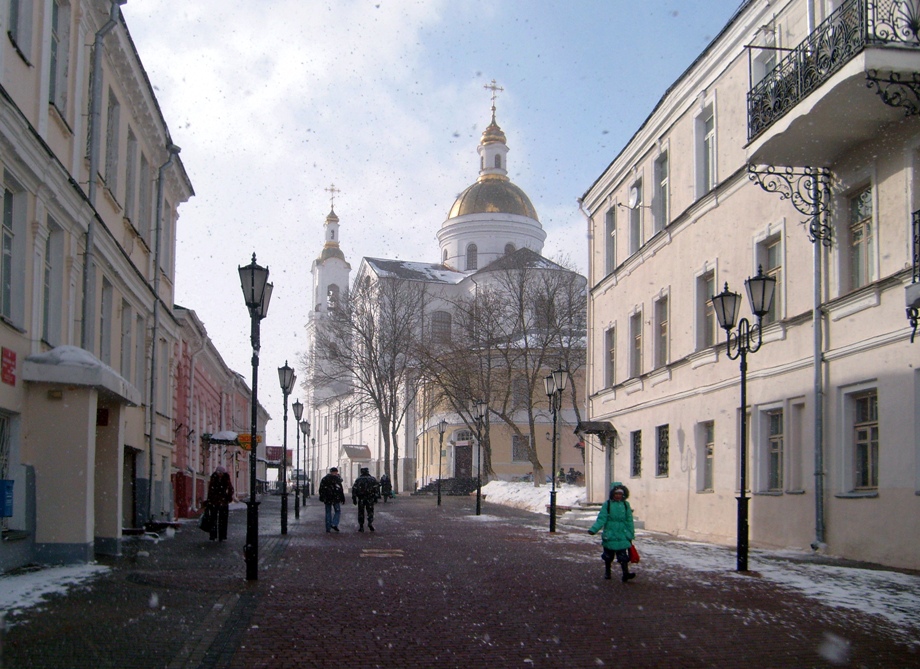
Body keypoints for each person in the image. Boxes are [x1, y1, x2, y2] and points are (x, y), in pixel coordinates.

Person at [588, 483, 636, 582]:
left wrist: (630, 533)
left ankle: (625, 573)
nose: (618, 496)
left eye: (620, 494)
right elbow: (602, 518)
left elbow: (629, 520)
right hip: (610, 534)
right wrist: (594, 529)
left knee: (623, 557)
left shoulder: (626, 505)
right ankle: (607, 572)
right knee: (608, 556)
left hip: (622, 534)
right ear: (612, 494)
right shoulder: (608, 504)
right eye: (616, 493)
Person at [205, 466, 234, 542]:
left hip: (223, 502)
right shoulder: (214, 478)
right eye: (218, 473)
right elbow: (210, 490)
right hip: (215, 501)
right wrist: (209, 500)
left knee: (223, 519)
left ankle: (222, 536)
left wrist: (228, 497)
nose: (220, 474)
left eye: (221, 473)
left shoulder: (226, 478)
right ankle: (213, 535)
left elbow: (230, 489)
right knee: (213, 519)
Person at [352, 467, 380, 532]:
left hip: (361, 498)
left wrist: (354, 498)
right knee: (370, 511)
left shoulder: (358, 480)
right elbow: (376, 489)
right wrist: (376, 497)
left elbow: (354, 489)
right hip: (370, 498)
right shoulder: (372, 479)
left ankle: (361, 526)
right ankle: (370, 522)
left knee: (361, 512)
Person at [318, 467, 345, 532]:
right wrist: (342, 498)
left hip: (327, 498)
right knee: (337, 511)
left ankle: (328, 528)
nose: (336, 473)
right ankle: (334, 523)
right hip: (336, 498)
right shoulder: (337, 479)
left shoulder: (325, 479)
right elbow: (340, 489)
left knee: (328, 512)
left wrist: (322, 496)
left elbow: (321, 489)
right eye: (336, 472)